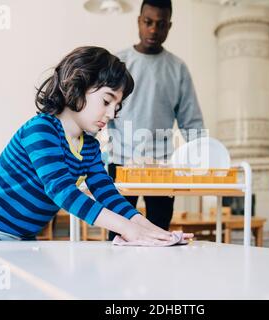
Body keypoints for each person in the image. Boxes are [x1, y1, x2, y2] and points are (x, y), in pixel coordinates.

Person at [0, 46, 188, 243]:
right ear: (78, 86)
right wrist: (127, 229)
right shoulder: (41, 129)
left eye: (117, 106)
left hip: (20, 236)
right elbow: (62, 191)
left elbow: (106, 192)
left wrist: (148, 228)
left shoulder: (90, 147)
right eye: (106, 100)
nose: (112, 113)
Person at [107, 0, 205, 240]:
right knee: (118, 235)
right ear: (139, 21)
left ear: (169, 27)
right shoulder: (118, 62)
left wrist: (204, 158)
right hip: (121, 163)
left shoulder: (177, 69)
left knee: (160, 233)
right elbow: (101, 109)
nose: (153, 30)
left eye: (160, 24)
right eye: (148, 22)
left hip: (162, 167)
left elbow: (192, 122)